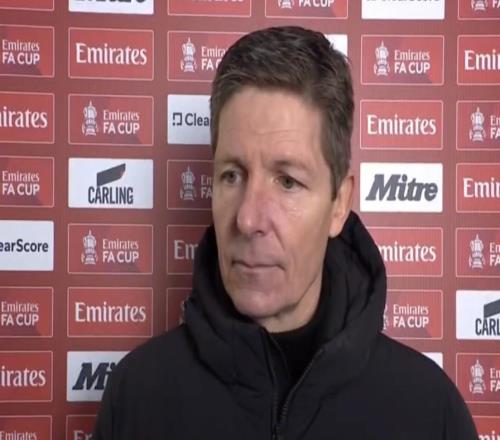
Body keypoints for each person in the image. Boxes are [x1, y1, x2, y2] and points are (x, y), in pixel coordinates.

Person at [93, 26, 477, 439]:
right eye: (232, 175)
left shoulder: (429, 409)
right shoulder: (137, 396)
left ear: (338, 204)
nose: (247, 219)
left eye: (288, 181)